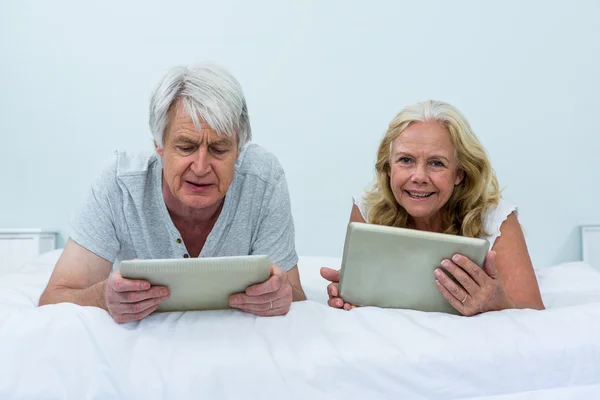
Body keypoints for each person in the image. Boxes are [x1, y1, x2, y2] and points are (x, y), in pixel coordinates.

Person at [39, 63, 306, 323]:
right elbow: (54, 297)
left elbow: (294, 296)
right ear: (159, 145)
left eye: (219, 149)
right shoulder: (120, 185)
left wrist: (279, 297)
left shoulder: (263, 179)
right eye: (186, 147)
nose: (201, 168)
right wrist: (102, 297)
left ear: (239, 148)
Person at [321, 100, 544, 316]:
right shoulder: (367, 210)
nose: (419, 177)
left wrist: (497, 304)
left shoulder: (495, 219)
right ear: (389, 167)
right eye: (406, 160)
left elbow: (534, 317)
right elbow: (361, 302)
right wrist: (350, 295)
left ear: (459, 173)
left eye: (436, 163)